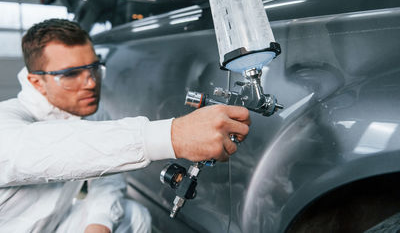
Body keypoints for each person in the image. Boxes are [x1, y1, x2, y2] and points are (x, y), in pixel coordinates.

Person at [0, 19, 250, 233]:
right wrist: (172, 135)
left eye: (94, 67)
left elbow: (107, 180)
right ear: (36, 82)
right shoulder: (7, 120)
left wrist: (99, 224)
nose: (90, 83)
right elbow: (50, 147)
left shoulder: (91, 112)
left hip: (56, 226)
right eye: (71, 74)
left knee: (133, 216)